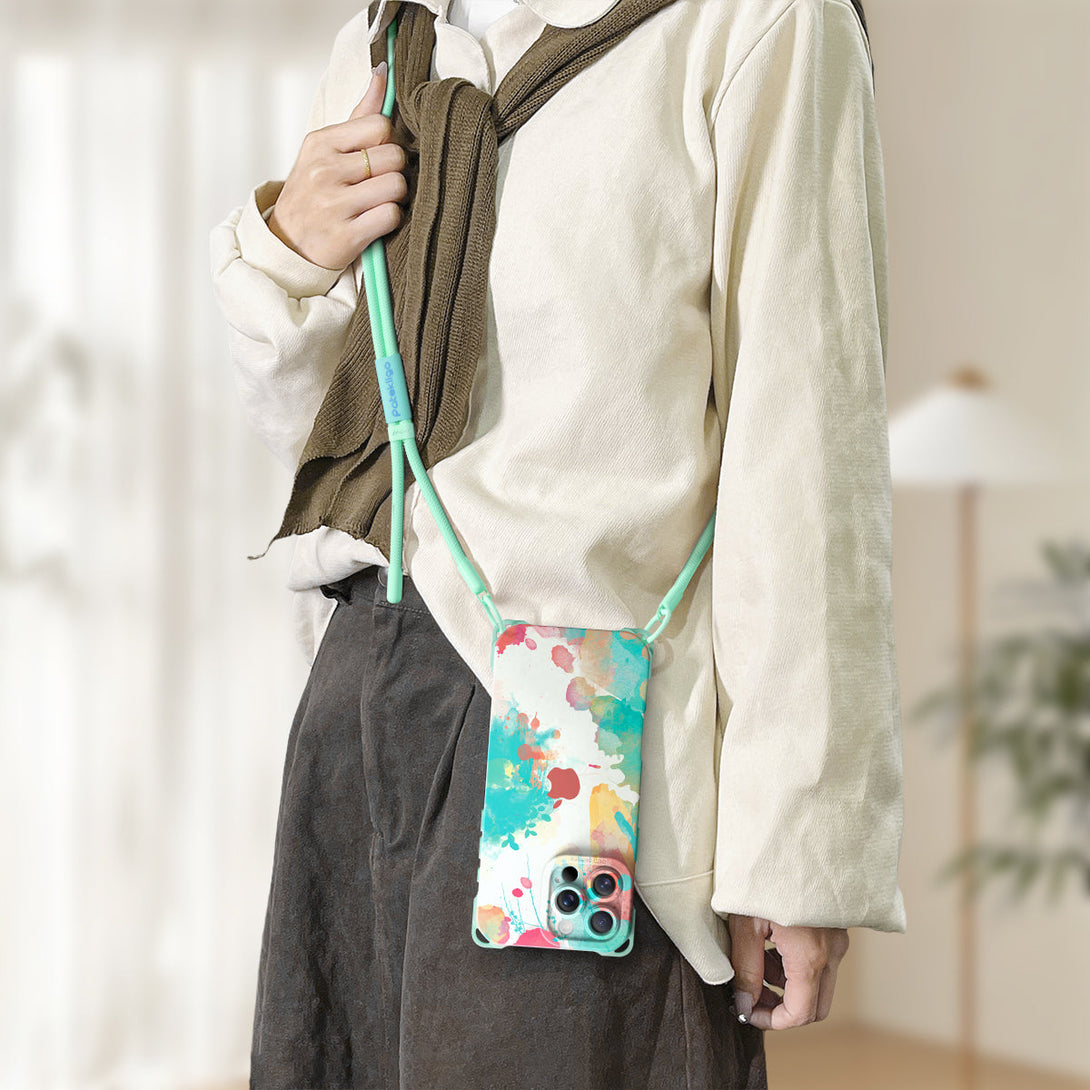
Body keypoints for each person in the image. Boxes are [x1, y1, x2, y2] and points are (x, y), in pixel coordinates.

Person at [209, 0, 904, 1085]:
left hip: (572, 719)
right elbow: (333, 449)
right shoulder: (388, 37)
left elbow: (809, 444)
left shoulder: (760, 24)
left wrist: (799, 846)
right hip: (357, 692)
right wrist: (286, 256)